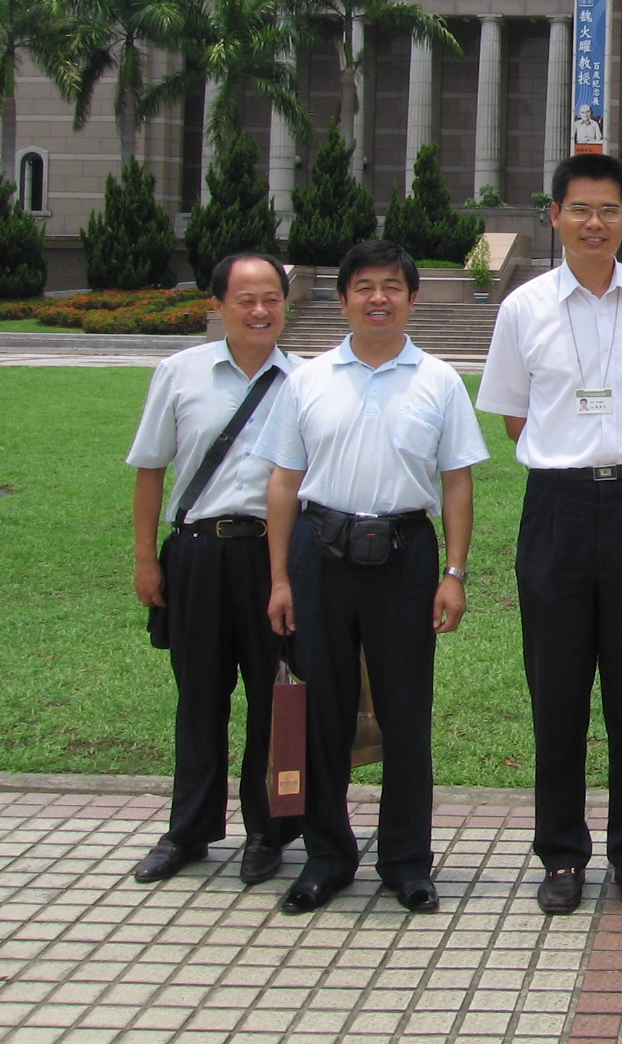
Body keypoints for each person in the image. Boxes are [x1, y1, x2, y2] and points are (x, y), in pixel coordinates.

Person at [476, 153, 622, 917]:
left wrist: (614, 449)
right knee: (558, 692)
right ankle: (562, 856)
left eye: (609, 210)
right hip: (557, 512)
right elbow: (515, 418)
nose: (594, 223)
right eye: (580, 209)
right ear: (556, 216)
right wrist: (577, 454)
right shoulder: (524, 308)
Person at [261, 239, 485, 916]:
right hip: (319, 553)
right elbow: (282, 482)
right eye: (365, 286)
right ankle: (327, 857)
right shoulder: (308, 378)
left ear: (413, 298)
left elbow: (458, 484)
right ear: (343, 299)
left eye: (392, 286)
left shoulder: (439, 380)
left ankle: (406, 862)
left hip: (406, 555)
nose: (379, 297)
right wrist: (279, 578)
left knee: (405, 712)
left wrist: (454, 572)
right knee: (322, 712)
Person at [126, 252, 302, 887]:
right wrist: (148, 558)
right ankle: (189, 829)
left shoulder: (307, 380)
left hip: (273, 558)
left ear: (286, 304)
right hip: (197, 553)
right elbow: (151, 468)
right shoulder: (180, 373)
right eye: (245, 300)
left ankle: (268, 831)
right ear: (219, 305)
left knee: (272, 695)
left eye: (272, 300)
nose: (259, 312)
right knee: (199, 694)